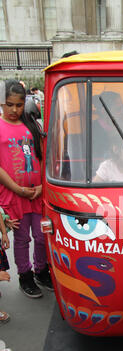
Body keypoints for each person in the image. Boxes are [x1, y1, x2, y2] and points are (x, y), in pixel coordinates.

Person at [0, 80, 53, 298]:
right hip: (13, 195)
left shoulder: (32, 126)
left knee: (42, 236)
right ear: (2, 103)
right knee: (21, 239)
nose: (14, 110)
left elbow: (42, 157)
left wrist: (42, 185)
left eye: (19, 105)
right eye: (9, 104)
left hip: (37, 194)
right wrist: (17, 189)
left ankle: (41, 270)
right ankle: (25, 275)